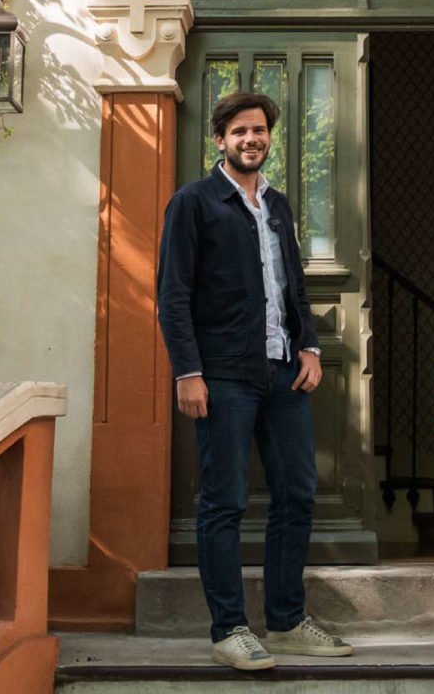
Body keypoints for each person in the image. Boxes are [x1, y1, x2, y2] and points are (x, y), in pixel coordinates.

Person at [157, 91, 353, 670]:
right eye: (240, 131)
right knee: (224, 501)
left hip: (283, 372)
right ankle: (229, 629)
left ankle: (288, 621)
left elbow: (293, 280)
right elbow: (173, 295)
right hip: (222, 375)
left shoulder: (278, 205)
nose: (252, 139)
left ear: (270, 138)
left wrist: (311, 344)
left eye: (260, 130)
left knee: (297, 491)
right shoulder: (194, 203)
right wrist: (188, 371)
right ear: (219, 139)